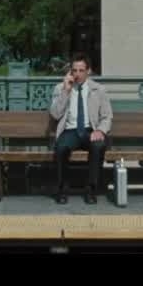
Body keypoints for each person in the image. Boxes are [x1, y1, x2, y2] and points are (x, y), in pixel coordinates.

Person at [48, 55, 112, 204]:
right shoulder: (60, 88)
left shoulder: (99, 90)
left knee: (98, 146)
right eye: (74, 70)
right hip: (70, 130)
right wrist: (66, 91)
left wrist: (100, 131)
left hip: (90, 130)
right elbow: (55, 114)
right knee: (61, 148)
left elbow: (107, 116)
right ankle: (62, 190)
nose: (77, 74)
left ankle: (91, 190)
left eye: (81, 70)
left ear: (88, 71)